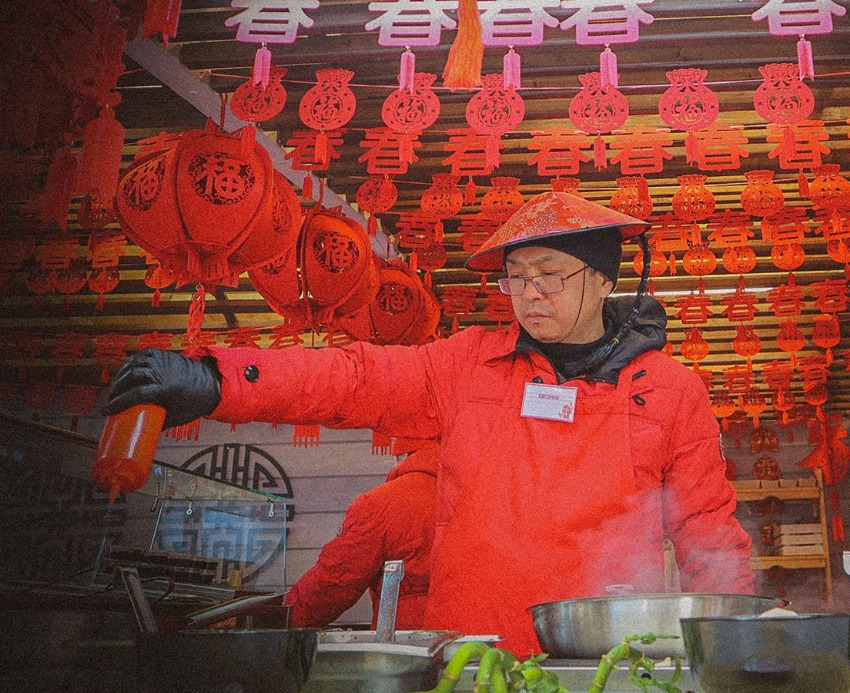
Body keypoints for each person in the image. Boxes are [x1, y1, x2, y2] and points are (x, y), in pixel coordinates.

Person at [104, 192, 755, 655]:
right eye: (516, 278)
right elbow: (356, 379)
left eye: (550, 275)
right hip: (467, 660)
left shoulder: (670, 390)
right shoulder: (469, 363)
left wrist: (737, 646)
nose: (530, 293)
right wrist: (220, 380)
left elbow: (707, 531)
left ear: (602, 279)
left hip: (607, 665)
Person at [285, 442, 437, 630]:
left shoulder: (379, 504)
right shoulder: (474, 494)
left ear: (402, 456)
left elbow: (335, 582)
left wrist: (283, 617)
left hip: (408, 646)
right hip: (475, 642)